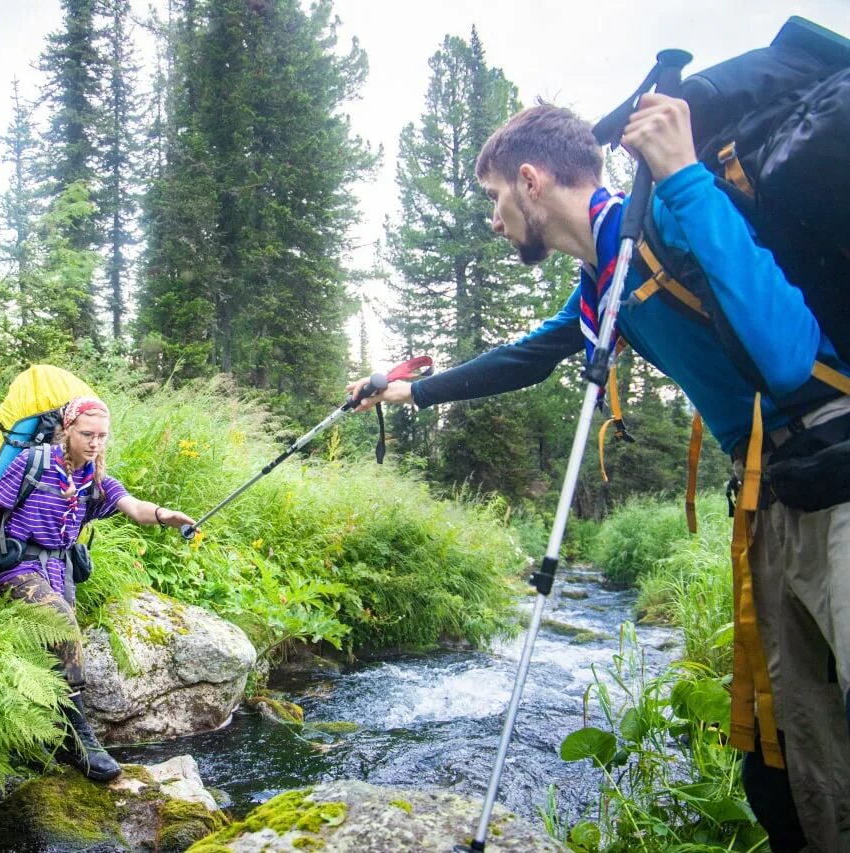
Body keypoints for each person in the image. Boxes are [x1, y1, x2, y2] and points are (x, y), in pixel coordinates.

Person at [350, 96, 850, 851]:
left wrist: (681, 173)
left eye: (493, 199)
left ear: (530, 181)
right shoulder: (601, 279)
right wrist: (410, 390)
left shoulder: (670, 214)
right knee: (802, 749)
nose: (494, 221)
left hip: (838, 470)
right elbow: (525, 358)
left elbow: (786, 358)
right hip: (774, 494)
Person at [0, 396, 195, 782]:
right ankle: (77, 741)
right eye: (87, 434)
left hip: (60, 574)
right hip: (17, 567)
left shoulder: (95, 480)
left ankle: (45, 735)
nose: (95, 443)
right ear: (67, 430)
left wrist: (166, 516)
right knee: (63, 626)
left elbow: (133, 507)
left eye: (102, 436)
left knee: (56, 646)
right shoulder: (32, 462)